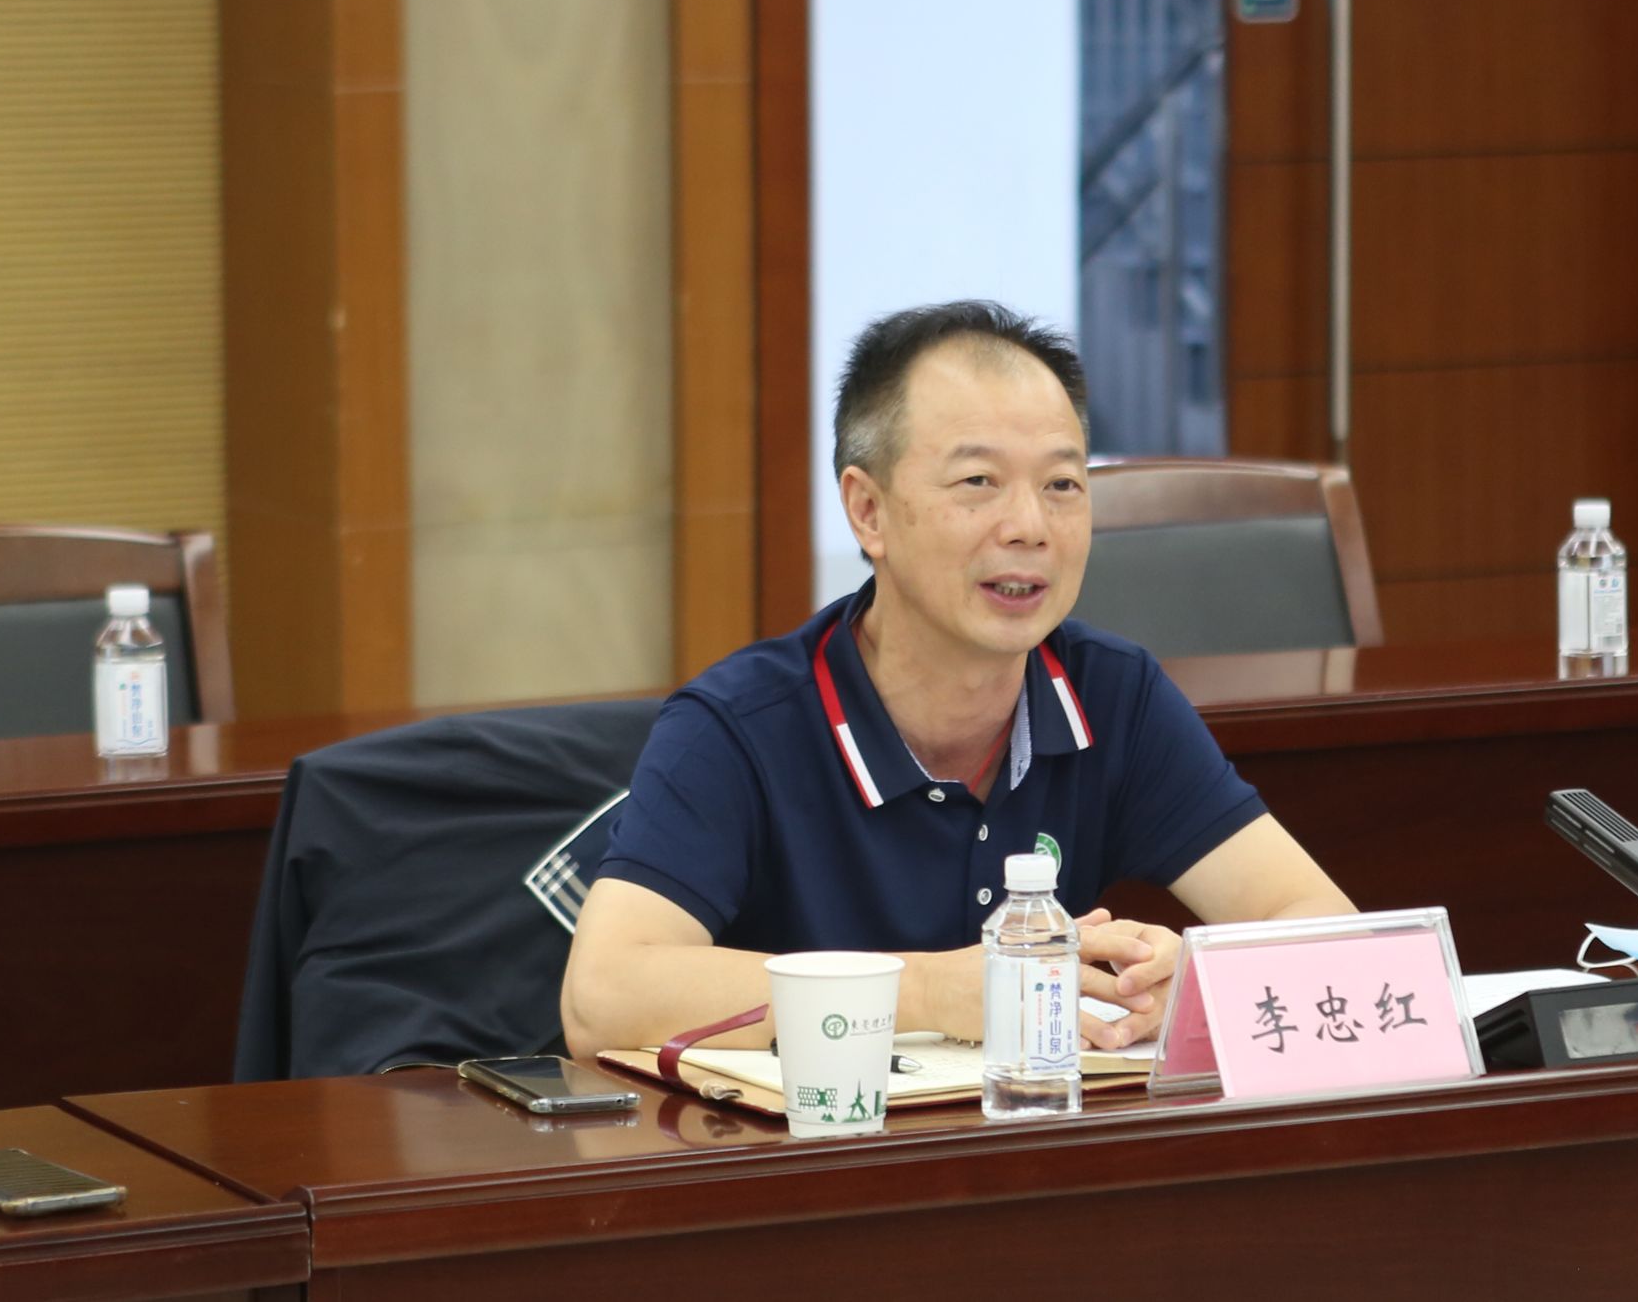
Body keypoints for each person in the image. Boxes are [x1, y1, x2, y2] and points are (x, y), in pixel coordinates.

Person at [561, 300, 1353, 1057]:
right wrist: (931, 991)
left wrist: (1201, 980)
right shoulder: (740, 725)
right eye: (978, 482)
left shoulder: (1112, 695)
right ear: (868, 512)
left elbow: (1327, 927)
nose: (1029, 526)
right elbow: (602, 996)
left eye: (1062, 485)